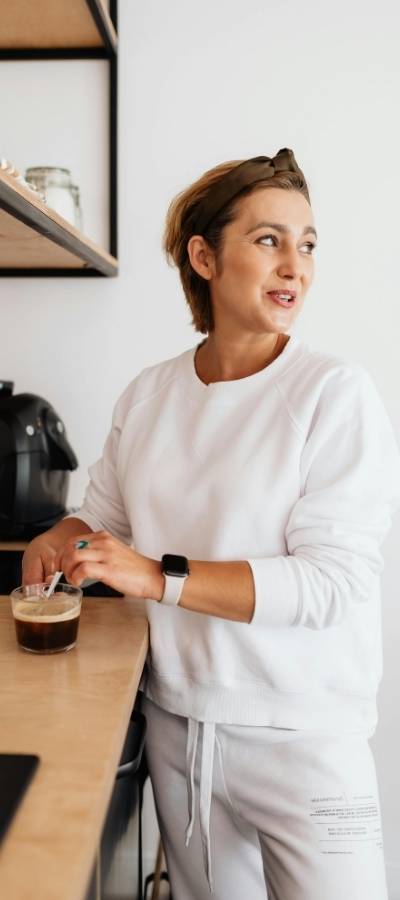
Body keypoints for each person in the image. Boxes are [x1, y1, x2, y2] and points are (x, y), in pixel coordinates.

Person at [23, 148, 400, 900]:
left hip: (308, 742)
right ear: (204, 256)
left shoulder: (334, 393)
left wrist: (155, 575)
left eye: (308, 243)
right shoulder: (149, 394)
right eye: (268, 240)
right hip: (181, 728)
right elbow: (101, 520)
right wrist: (59, 537)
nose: (295, 265)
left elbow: (334, 582)